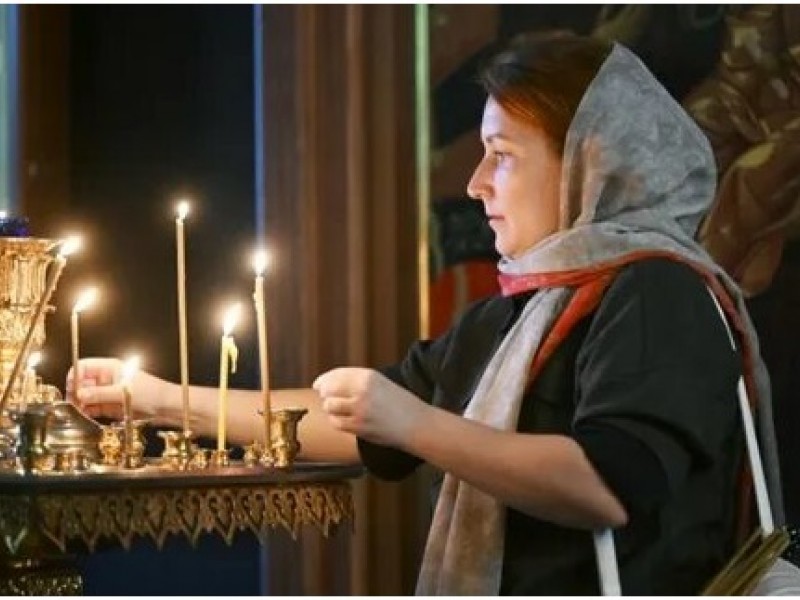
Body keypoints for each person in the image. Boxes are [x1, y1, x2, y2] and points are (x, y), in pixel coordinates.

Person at [70, 32, 783, 595]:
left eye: (501, 155)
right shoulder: (511, 316)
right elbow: (348, 422)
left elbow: (604, 484)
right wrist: (156, 399)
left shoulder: (655, 289)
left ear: (588, 162)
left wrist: (413, 423)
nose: (475, 183)